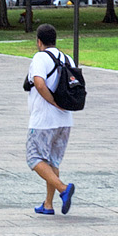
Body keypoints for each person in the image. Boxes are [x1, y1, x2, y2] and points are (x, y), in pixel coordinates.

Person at [23, 22, 76, 216]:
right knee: (52, 161)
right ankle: (48, 204)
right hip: (65, 120)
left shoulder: (40, 57)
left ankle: (63, 189)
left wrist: (52, 102)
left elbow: (38, 82)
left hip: (44, 120)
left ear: (39, 42)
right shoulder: (67, 58)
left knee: (34, 158)